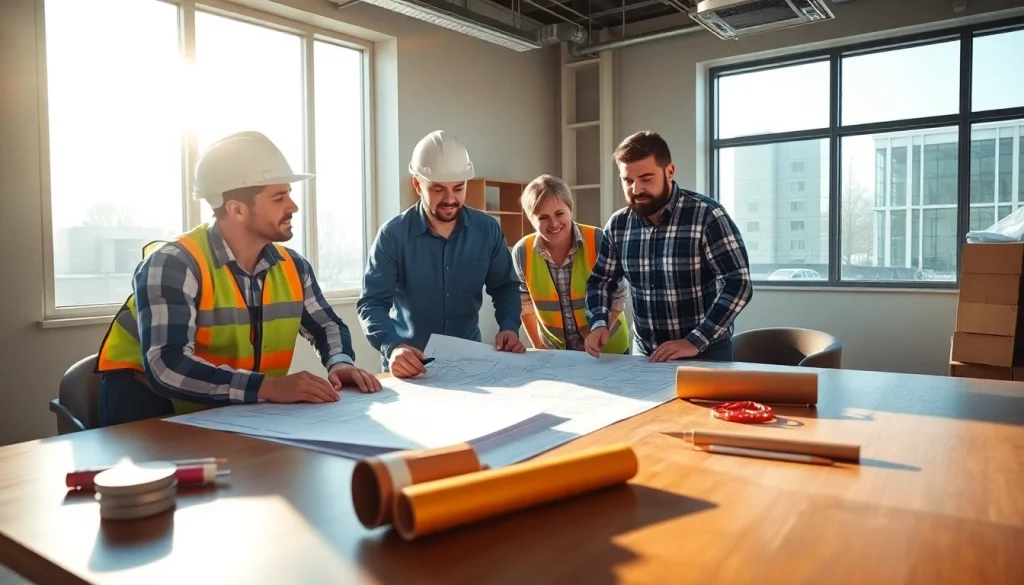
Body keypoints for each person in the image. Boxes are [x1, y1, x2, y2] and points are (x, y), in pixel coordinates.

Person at [95, 131, 380, 426]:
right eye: (279, 197)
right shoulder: (173, 264)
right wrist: (268, 387)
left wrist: (340, 362)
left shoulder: (293, 266)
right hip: (147, 409)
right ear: (237, 209)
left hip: (235, 409)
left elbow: (326, 325)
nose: (293, 206)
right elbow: (168, 366)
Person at [357, 130, 525, 378]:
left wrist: (509, 327)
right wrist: (393, 347)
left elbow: (505, 287)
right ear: (417, 184)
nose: (450, 199)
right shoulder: (392, 236)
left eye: (458, 188)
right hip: (411, 368)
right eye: (438, 190)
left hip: (470, 362)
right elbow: (371, 303)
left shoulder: (487, 230)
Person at [584, 130, 753, 362]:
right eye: (628, 181)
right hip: (645, 354)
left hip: (705, 353)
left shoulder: (707, 215)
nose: (636, 190)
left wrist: (695, 340)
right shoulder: (618, 225)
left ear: (669, 172)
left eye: (646, 178)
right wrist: (599, 322)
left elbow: (738, 282)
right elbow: (601, 281)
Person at [511, 174, 631, 353]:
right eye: (543, 217)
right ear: (531, 219)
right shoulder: (522, 252)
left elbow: (618, 295)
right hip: (558, 353)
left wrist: (600, 333)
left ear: (571, 210)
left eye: (560, 213)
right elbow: (525, 304)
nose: (553, 223)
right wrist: (540, 347)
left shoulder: (599, 240)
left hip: (608, 351)